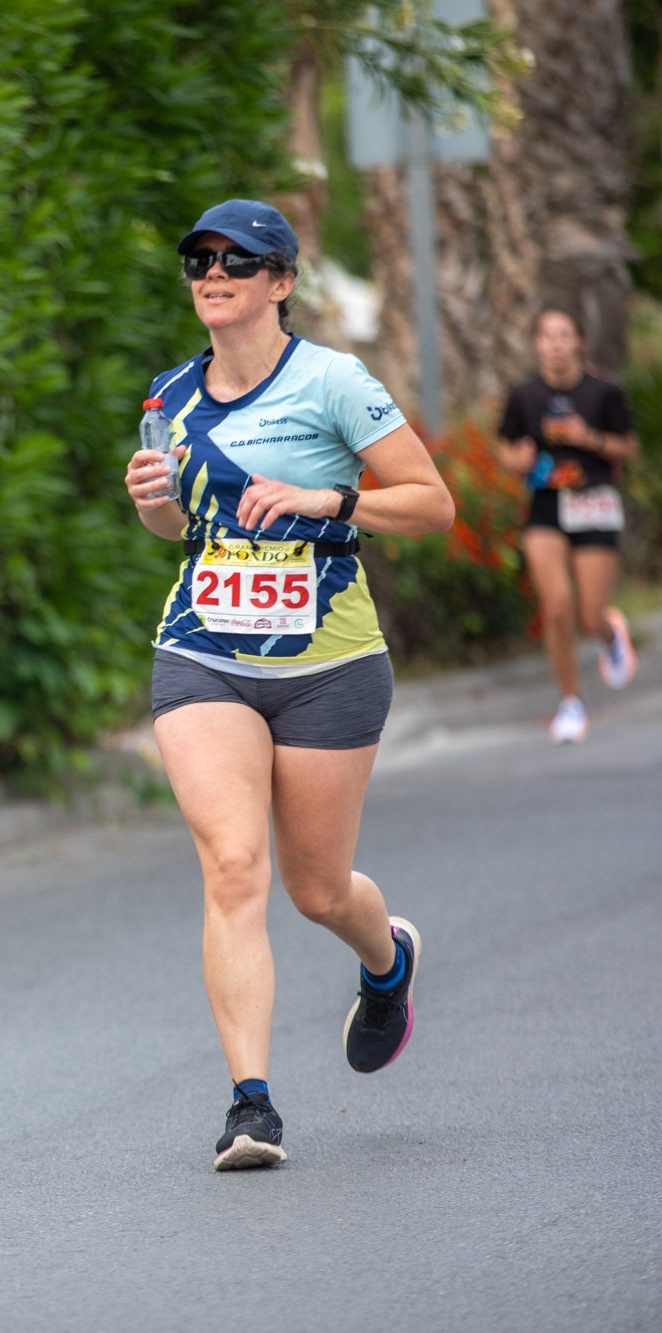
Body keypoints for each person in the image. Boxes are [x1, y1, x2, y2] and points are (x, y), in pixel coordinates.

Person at [122, 200, 456, 1170]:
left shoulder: (333, 384)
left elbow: (431, 506)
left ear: (280, 281)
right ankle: (249, 1106)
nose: (211, 272)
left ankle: (384, 958)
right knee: (232, 867)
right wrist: (151, 507)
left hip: (327, 664)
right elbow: (178, 533)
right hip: (202, 652)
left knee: (314, 888)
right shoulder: (167, 396)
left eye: (236, 259)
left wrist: (327, 498)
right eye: (197, 259)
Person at [493, 309, 641, 743]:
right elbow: (505, 446)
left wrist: (588, 438)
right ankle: (571, 702)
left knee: (589, 614)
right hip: (546, 504)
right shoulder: (524, 395)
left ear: (580, 342)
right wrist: (514, 460)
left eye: (564, 335)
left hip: (594, 502)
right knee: (556, 606)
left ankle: (608, 632)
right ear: (536, 343)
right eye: (547, 336)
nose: (556, 344)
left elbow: (628, 447)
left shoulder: (605, 392)